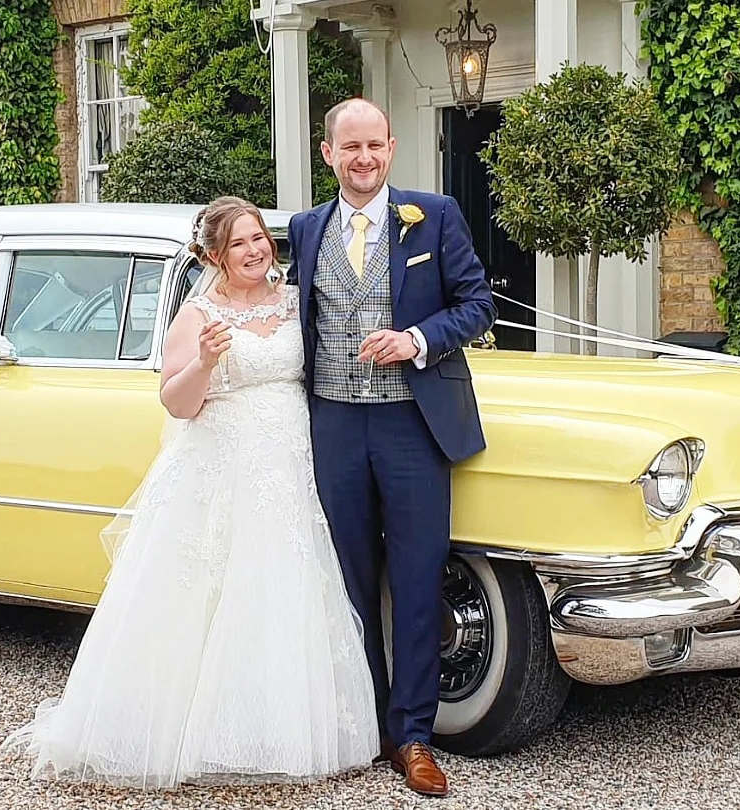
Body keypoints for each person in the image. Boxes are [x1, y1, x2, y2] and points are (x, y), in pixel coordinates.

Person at [0, 196, 378, 789]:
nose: (255, 251)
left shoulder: (294, 301)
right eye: (238, 244)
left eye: (259, 238)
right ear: (213, 255)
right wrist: (202, 361)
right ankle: (194, 734)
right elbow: (176, 402)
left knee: (285, 590)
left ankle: (274, 728)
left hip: (289, 464)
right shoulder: (197, 313)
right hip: (222, 465)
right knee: (208, 597)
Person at [286, 97, 497, 798]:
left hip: (413, 424)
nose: (364, 158)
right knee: (345, 580)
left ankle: (412, 737)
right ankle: (360, 725)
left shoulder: (432, 215)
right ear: (329, 155)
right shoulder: (306, 227)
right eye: (351, 148)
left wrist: (416, 341)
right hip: (334, 425)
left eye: (375, 145)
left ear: (392, 147)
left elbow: (477, 304)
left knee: (415, 580)